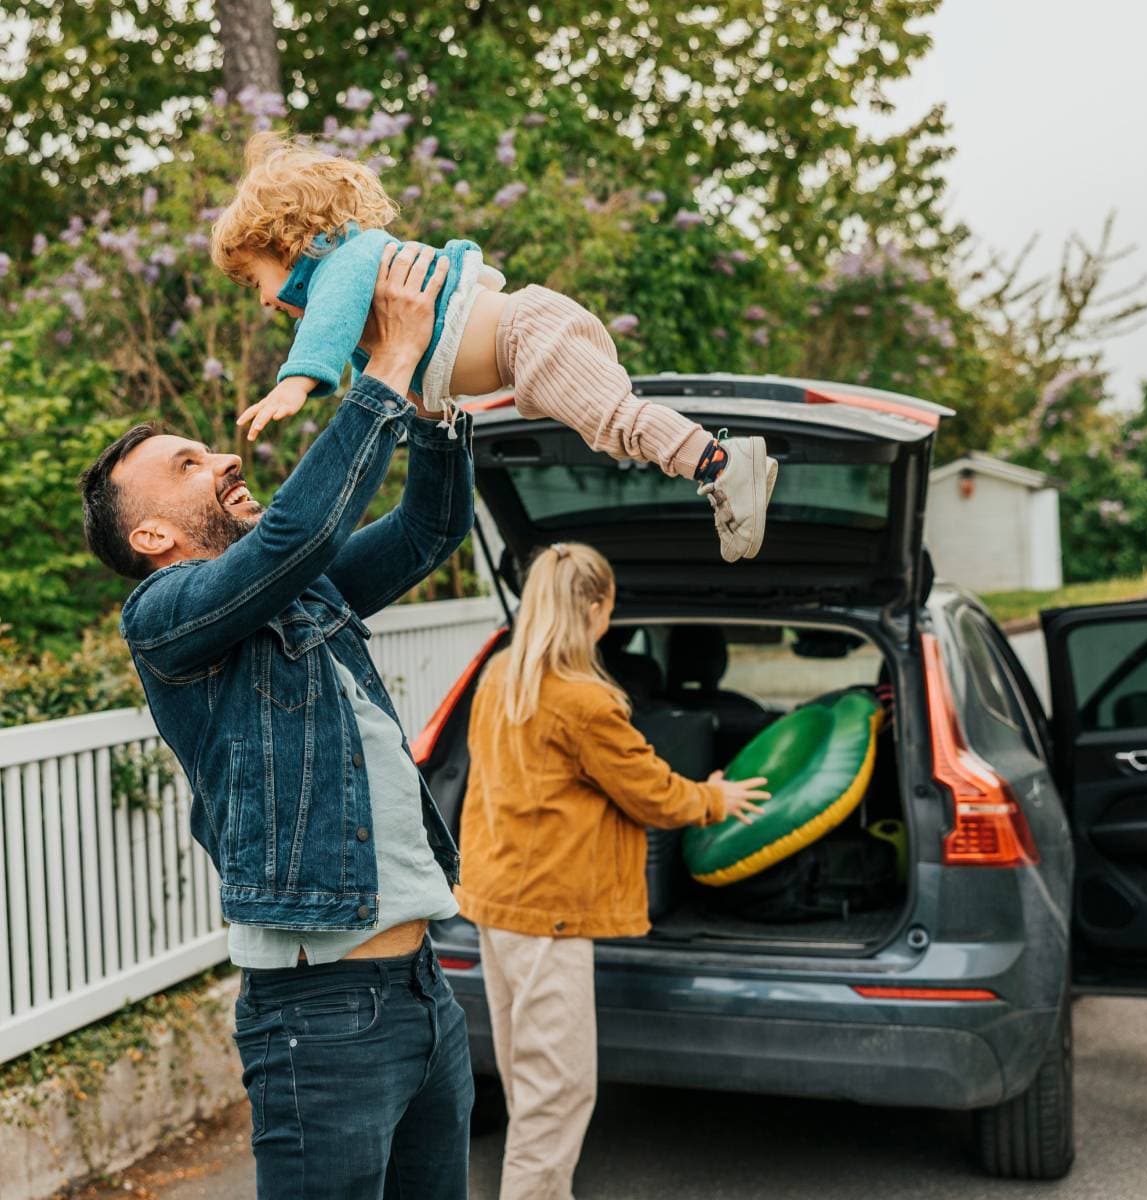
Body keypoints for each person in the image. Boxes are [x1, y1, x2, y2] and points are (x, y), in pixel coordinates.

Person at [78, 243, 476, 1200]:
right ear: (151, 536)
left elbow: (428, 530)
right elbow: (297, 535)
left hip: (425, 993)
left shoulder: (302, 599)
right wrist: (377, 372)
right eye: (187, 463)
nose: (223, 456)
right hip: (319, 1012)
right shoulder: (166, 619)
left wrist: (431, 396)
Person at [210, 132, 777, 562]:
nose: (261, 302)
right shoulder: (360, 304)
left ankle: (722, 463)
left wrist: (296, 380)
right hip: (529, 338)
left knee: (618, 424)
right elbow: (392, 386)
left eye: (254, 280)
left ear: (286, 246)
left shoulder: (347, 262)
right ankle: (726, 466)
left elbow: (325, 324)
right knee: (614, 431)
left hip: (527, 336)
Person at [455, 541, 770, 1200]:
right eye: (609, 608)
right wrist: (717, 797)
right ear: (595, 609)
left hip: (496, 901)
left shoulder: (501, 676)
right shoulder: (586, 702)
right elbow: (652, 792)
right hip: (550, 912)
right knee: (559, 1086)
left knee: (527, 1076)